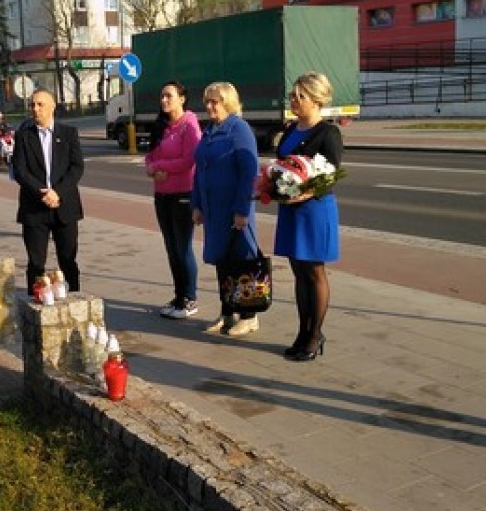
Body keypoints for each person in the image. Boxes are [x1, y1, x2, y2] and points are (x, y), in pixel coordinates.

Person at [273, 72, 344, 362]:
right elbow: (281, 163)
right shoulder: (291, 130)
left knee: (314, 272)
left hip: (313, 210)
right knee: (298, 272)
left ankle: (315, 334)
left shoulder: (328, 133)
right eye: (293, 95)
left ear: (316, 101)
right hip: (290, 211)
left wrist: (306, 192)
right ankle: (302, 332)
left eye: (298, 96)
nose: (293, 100)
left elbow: (332, 174)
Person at [191, 81, 260, 336]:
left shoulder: (239, 129)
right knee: (222, 261)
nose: (209, 106)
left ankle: (249, 315)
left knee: (242, 262)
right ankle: (227, 312)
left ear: (228, 103)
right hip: (214, 210)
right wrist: (197, 204)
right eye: (207, 101)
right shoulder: (210, 130)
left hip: (235, 210)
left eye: (214, 101)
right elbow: (199, 170)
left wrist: (242, 209)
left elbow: (248, 172)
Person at [11, 89, 85, 294]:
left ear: (53, 106)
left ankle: (73, 300)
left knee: (68, 260)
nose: (35, 109)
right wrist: (41, 192)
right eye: (32, 105)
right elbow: (19, 170)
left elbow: (77, 167)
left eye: (40, 104)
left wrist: (57, 193)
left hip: (65, 206)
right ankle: (34, 308)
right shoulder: (24, 136)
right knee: (36, 263)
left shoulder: (69, 134)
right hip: (35, 208)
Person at [145, 81, 202, 319]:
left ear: (182, 98)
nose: (164, 100)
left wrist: (159, 166)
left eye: (169, 96)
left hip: (182, 194)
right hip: (162, 195)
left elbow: (189, 160)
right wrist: (151, 168)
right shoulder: (162, 126)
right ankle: (179, 295)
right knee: (171, 248)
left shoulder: (189, 125)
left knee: (182, 247)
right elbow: (149, 156)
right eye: (162, 96)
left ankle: (189, 297)